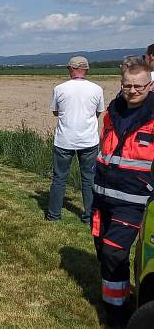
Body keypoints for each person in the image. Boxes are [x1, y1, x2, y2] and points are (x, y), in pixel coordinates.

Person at [92, 63, 154, 325]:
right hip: (103, 196)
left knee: (113, 252)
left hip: (134, 201)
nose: (132, 90)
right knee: (103, 253)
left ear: (150, 86)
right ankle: (115, 302)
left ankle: (119, 316)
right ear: (121, 84)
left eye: (138, 86)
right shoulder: (111, 112)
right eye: (127, 85)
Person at [46, 56, 105, 223]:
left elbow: (55, 112)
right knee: (89, 179)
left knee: (59, 179)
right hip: (88, 141)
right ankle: (89, 218)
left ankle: (54, 215)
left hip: (64, 140)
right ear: (86, 69)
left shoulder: (60, 88)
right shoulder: (97, 89)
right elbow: (98, 112)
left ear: (70, 69)